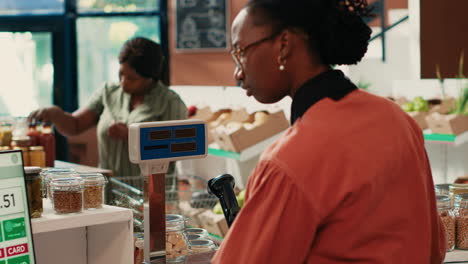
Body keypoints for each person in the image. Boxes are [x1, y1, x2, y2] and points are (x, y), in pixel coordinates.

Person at [212, 0, 445, 263]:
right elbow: (433, 248)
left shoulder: (290, 160)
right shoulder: (399, 121)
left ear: (284, 44)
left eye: (241, 51)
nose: (238, 72)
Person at [28, 37, 187, 177]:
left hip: (153, 194)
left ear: (150, 77)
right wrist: (55, 114)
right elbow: (75, 126)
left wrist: (133, 136)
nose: (124, 81)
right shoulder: (108, 93)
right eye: (121, 74)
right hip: (111, 190)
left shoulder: (170, 102)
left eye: (132, 78)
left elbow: (177, 150)